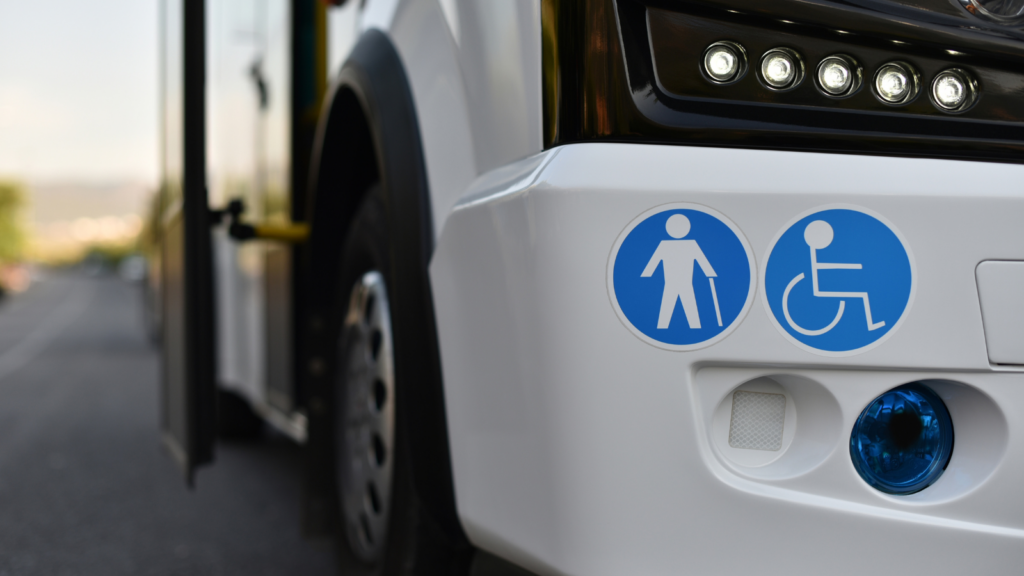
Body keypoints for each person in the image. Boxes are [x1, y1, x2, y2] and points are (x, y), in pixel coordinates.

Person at [642, 214, 717, 329]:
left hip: (685, 284)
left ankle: (694, 328)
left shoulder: (689, 244)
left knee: (689, 308)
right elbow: (652, 264)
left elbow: (703, 261)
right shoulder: (668, 245)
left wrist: (709, 272)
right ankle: (667, 328)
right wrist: (709, 273)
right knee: (667, 309)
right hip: (672, 284)